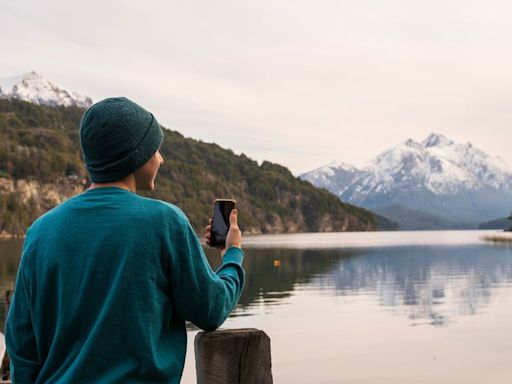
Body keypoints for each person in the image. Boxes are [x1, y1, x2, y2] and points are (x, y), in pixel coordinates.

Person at [5, 97, 245, 383]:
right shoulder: (164, 221)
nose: (161, 158)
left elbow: (21, 342)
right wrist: (232, 255)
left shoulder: (40, 232)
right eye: (155, 148)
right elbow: (211, 308)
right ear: (136, 155)